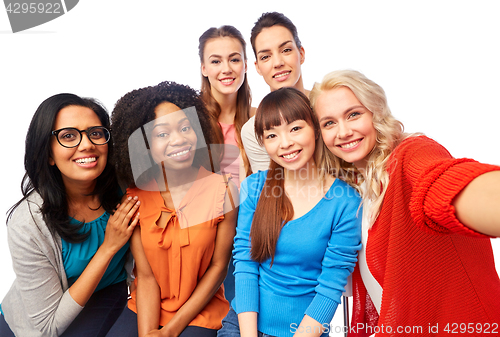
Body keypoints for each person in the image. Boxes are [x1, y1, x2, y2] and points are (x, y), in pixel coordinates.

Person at [310, 69, 500, 336]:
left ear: (375, 113)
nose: (343, 131)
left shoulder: (410, 154)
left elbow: (440, 183)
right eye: (329, 123)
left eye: (354, 114)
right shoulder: (356, 190)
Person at [218, 87, 362, 337]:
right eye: (272, 135)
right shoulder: (254, 188)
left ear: (315, 129)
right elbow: (245, 264)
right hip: (243, 327)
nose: (285, 143)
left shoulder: (346, 202)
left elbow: (330, 287)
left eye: (295, 128)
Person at [0, 93, 140, 337]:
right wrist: (108, 247)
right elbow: (47, 326)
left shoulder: (127, 184)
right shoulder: (26, 224)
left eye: (95, 133)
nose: (87, 145)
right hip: (37, 322)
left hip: (106, 293)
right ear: (48, 155)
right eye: (68, 136)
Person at [108, 81, 238, 337]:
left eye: (185, 128)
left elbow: (218, 269)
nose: (179, 139)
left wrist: (170, 331)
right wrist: (147, 333)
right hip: (146, 307)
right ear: (145, 144)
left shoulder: (224, 191)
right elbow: (145, 277)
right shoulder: (134, 197)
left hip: (201, 312)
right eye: (163, 134)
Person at [241, 12, 308, 173]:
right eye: (266, 57)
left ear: (301, 54)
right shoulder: (254, 130)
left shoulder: (329, 106)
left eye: (285, 50)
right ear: (257, 67)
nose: (278, 63)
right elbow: (269, 188)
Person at [199, 24, 252, 188]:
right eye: (216, 61)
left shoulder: (258, 119)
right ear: (204, 68)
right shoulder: (191, 121)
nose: (226, 69)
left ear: (245, 65)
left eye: (234, 60)